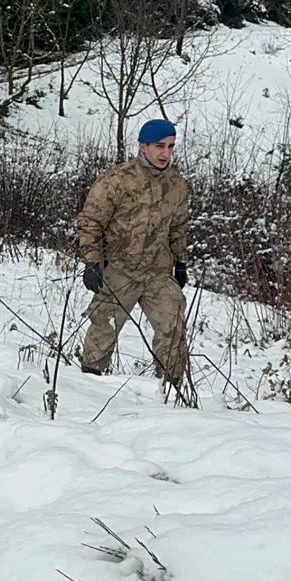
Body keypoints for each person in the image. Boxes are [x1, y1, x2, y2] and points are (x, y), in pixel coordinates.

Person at [77, 117, 191, 391]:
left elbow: (178, 227)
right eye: (159, 146)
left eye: (171, 147)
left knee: (173, 325)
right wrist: (92, 262)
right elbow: (91, 222)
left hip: (158, 272)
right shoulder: (117, 181)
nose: (166, 153)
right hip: (120, 269)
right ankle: (87, 386)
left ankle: (173, 391)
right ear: (143, 146)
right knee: (103, 326)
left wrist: (181, 262)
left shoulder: (177, 185)